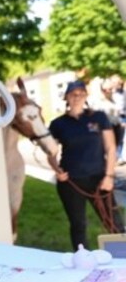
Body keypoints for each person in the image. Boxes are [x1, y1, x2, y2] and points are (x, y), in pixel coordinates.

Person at [47, 80, 124, 250]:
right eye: (73, 94)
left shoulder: (98, 118)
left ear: (86, 96)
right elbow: (50, 153)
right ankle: (84, 261)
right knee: (78, 225)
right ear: (66, 97)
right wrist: (57, 170)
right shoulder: (58, 124)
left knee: (113, 222)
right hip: (71, 182)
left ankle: (122, 258)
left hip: (99, 179)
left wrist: (109, 176)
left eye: (81, 93)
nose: (77, 97)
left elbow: (111, 148)